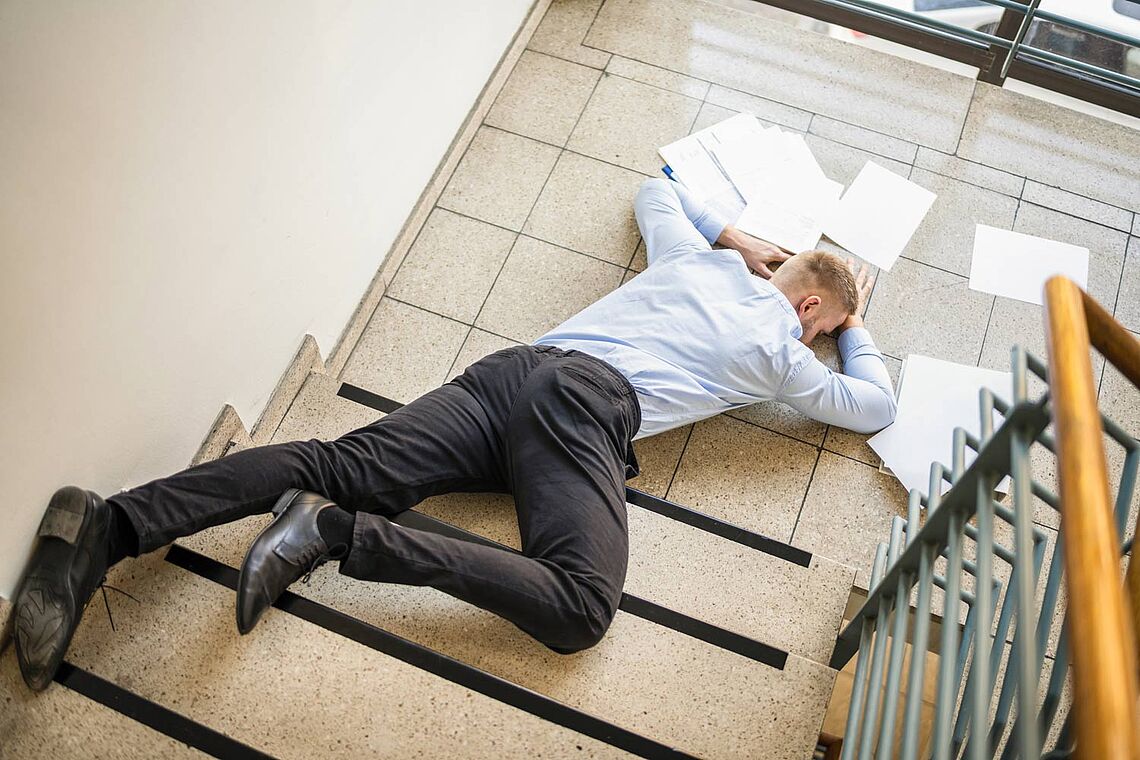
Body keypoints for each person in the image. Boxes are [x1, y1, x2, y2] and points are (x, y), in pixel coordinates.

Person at [13, 177, 896, 691]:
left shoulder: (694, 260)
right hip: (584, 408)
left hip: (511, 375)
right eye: (821, 325)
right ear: (810, 310)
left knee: (342, 461)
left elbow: (655, 189)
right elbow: (873, 406)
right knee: (582, 607)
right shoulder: (783, 347)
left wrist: (742, 241)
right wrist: (844, 325)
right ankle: (330, 532)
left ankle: (106, 523)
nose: (815, 339)